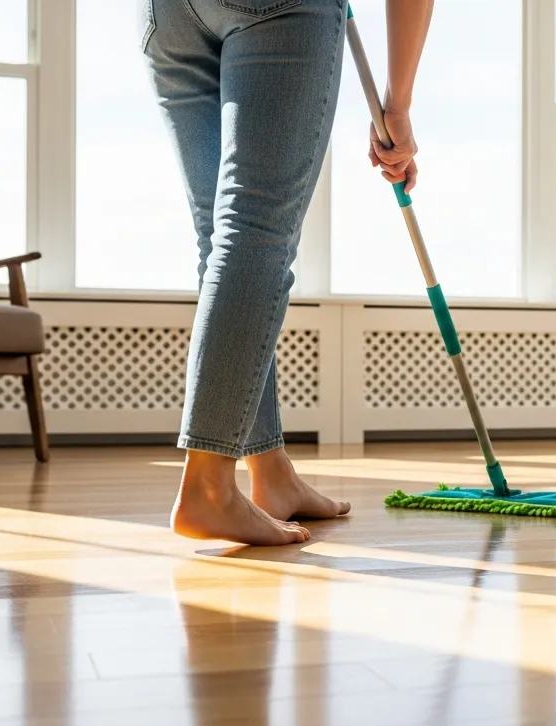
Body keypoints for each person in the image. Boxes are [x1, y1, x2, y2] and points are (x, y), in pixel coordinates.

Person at [142, 0, 433, 545]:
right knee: (253, 231)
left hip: (168, 15)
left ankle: (270, 470)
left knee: (224, 239)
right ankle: (207, 489)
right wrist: (398, 105)